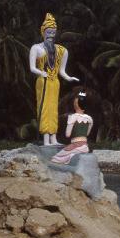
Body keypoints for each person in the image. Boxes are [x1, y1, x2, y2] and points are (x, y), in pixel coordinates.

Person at [28, 13, 79, 146]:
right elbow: (32, 68)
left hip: (54, 82)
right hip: (43, 81)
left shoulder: (61, 50)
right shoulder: (36, 48)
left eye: (53, 32)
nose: (51, 35)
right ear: (43, 32)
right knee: (44, 108)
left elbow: (62, 71)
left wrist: (69, 77)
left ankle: (53, 138)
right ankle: (45, 139)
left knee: (54, 109)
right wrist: (41, 73)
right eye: (48, 32)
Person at [51, 90, 93, 164]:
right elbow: (87, 134)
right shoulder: (89, 118)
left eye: (75, 102)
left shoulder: (73, 117)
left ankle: (71, 157)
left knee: (55, 158)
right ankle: (72, 156)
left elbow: (68, 135)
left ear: (76, 104)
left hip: (75, 146)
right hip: (85, 147)